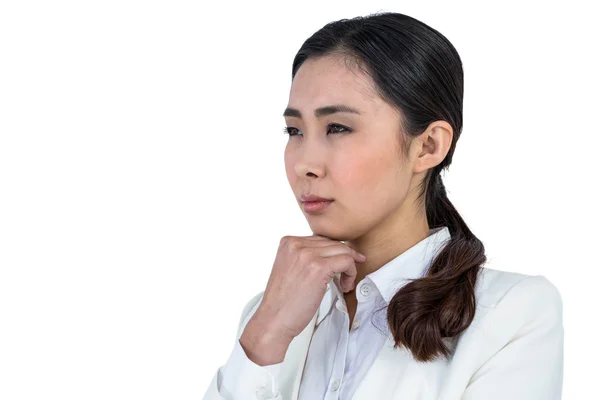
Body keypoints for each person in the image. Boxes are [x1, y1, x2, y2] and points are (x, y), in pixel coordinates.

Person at [202, 11, 564, 400]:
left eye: (338, 127)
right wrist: (264, 336)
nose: (305, 163)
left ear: (428, 146)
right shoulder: (272, 312)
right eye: (294, 131)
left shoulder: (511, 313)